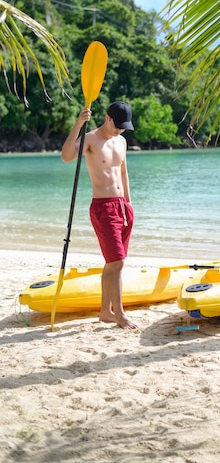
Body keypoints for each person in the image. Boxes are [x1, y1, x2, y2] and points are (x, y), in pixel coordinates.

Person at [61, 100, 138, 330]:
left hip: (122, 207)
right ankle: (120, 315)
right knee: (117, 262)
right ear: (107, 117)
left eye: (124, 126)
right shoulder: (91, 139)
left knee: (112, 263)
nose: (120, 130)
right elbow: (66, 157)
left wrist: (129, 204)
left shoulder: (122, 141)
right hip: (103, 208)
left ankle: (106, 312)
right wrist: (78, 124)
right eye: (118, 125)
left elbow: (123, 172)